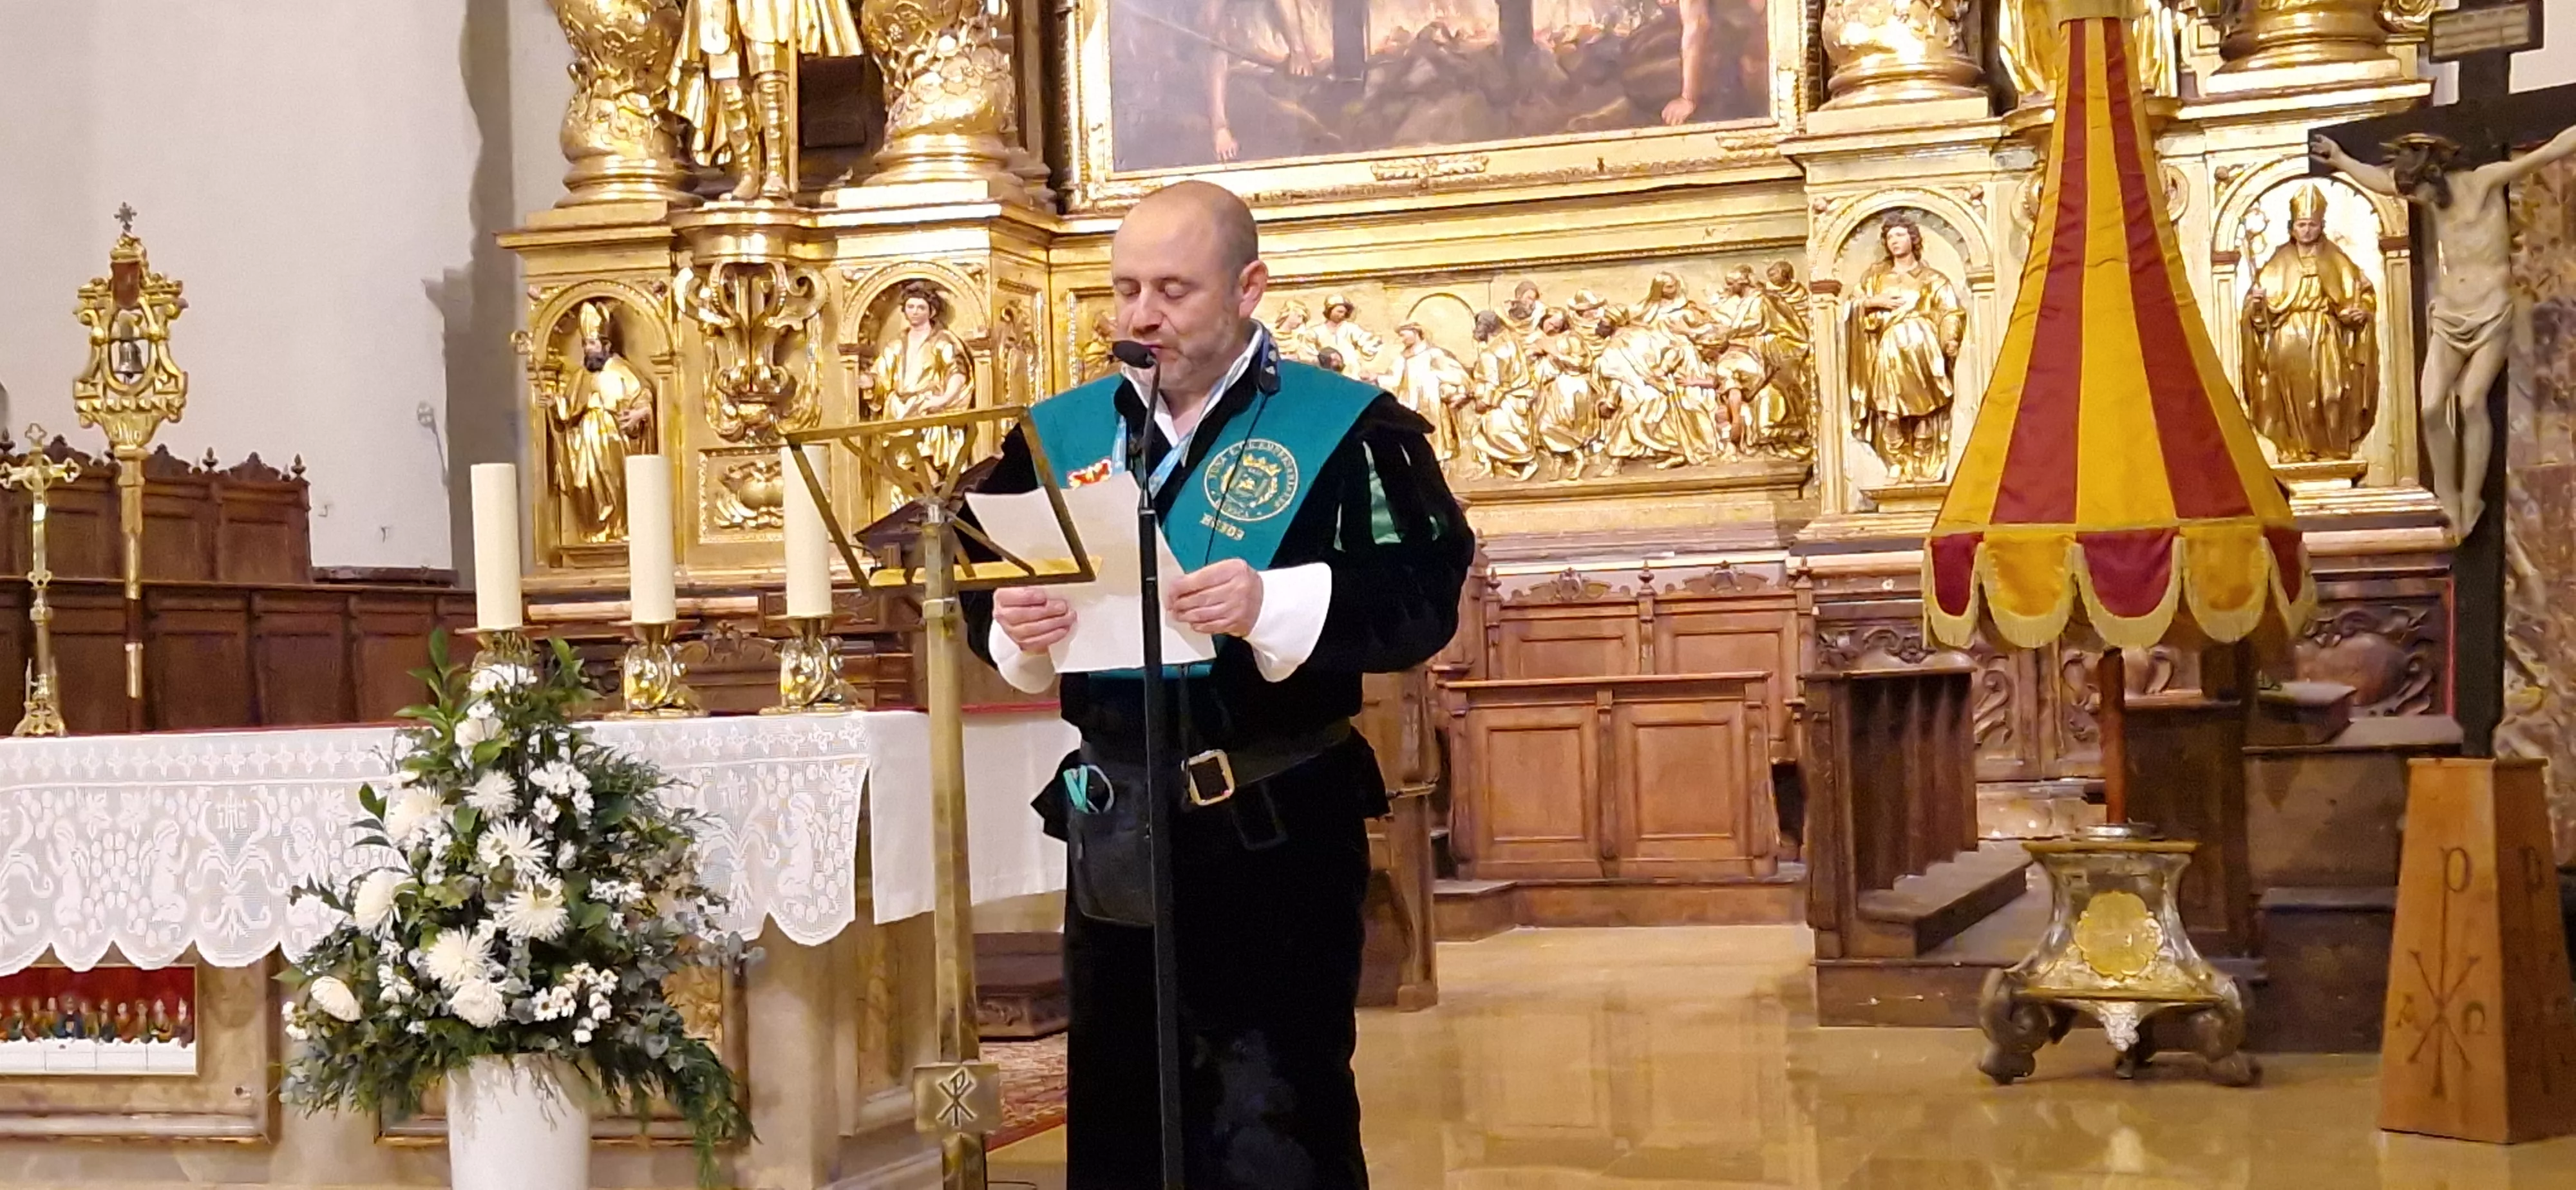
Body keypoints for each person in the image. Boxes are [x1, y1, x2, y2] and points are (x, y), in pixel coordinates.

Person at [962, 180, 1472, 1190]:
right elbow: (992, 591)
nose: (1141, 316)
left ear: (1249, 288)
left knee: (1272, 1117)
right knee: (1118, 1111)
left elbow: (1421, 597)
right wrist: (1017, 630)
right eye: (1125, 291)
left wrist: (1271, 602)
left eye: (1172, 290)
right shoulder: (1057, 437)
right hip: (1114, 827)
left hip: (1272, 821)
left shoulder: (1350, 431)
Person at [2314, 126, 2576, 532]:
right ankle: (2447, 494)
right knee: (2431, 406)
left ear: (2434, 176)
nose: (2415, 199)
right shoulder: (2429, 197)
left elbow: (2543, 155)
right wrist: (2343, 160)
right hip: (2452, 311)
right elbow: (2384, 183)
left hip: (2492, 308)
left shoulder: (2483, 180)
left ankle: (2471, 499)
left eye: (2418, 190)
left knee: (2472, 401)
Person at [2238, 183, 2379, 462]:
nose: (2307, 231)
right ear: (2292, 227)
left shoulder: (2336, 257)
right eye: (2302, 225)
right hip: (2289, 335)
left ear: (2322, 226)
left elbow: (2363, 292)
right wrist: (2257, 305)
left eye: (2312, 225)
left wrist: (2363, 310)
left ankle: (2334, 448)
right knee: (2297, 399)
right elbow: (2260, 317)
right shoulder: (2279, 260)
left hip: (2326, 333)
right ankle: (2298, 448)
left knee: (2333, 393)